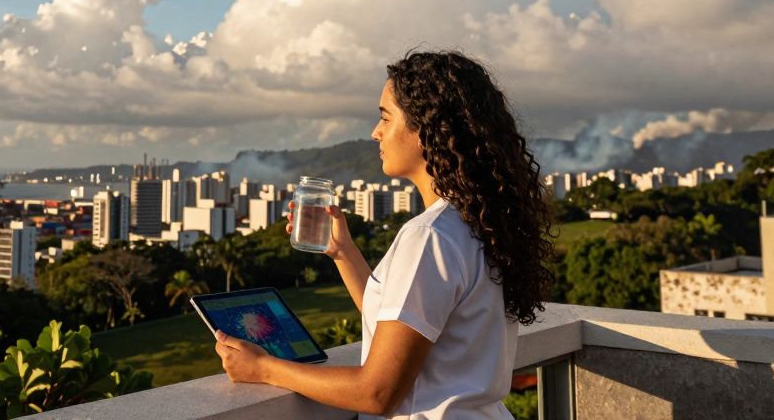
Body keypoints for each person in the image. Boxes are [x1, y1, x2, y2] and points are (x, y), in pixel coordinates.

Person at [215, 50, 555, 419]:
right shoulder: (475, 223)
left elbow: (378, 392)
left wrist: (263, 368)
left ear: (427, 128)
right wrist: (343, 252)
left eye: (385, 117)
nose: (375, 132)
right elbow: (402, 325)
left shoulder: (430, 236)